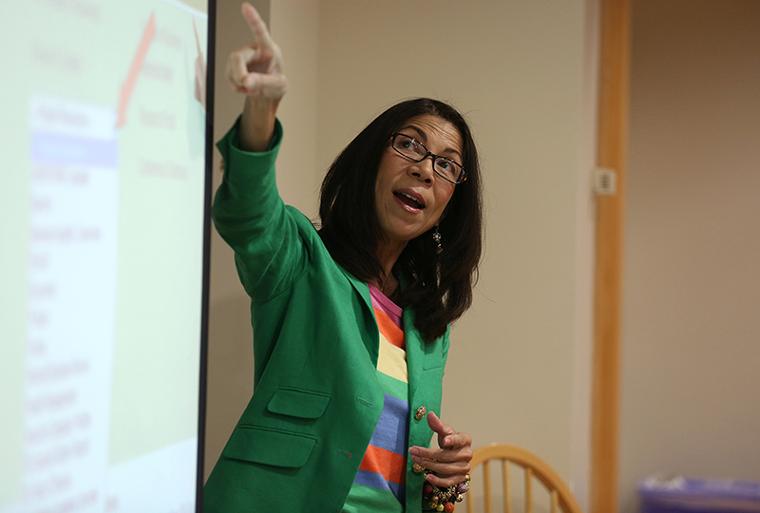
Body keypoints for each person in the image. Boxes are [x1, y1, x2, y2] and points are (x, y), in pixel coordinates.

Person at [204, 3, 483, 512]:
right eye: (409, 146)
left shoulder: (430, 328)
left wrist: (443, 479)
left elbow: (392, 472)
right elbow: (248, 213)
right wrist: (261, 112)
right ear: (370, 161)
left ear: (446, 208)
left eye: (446, 166)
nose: (425, 169)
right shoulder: (301, 261)